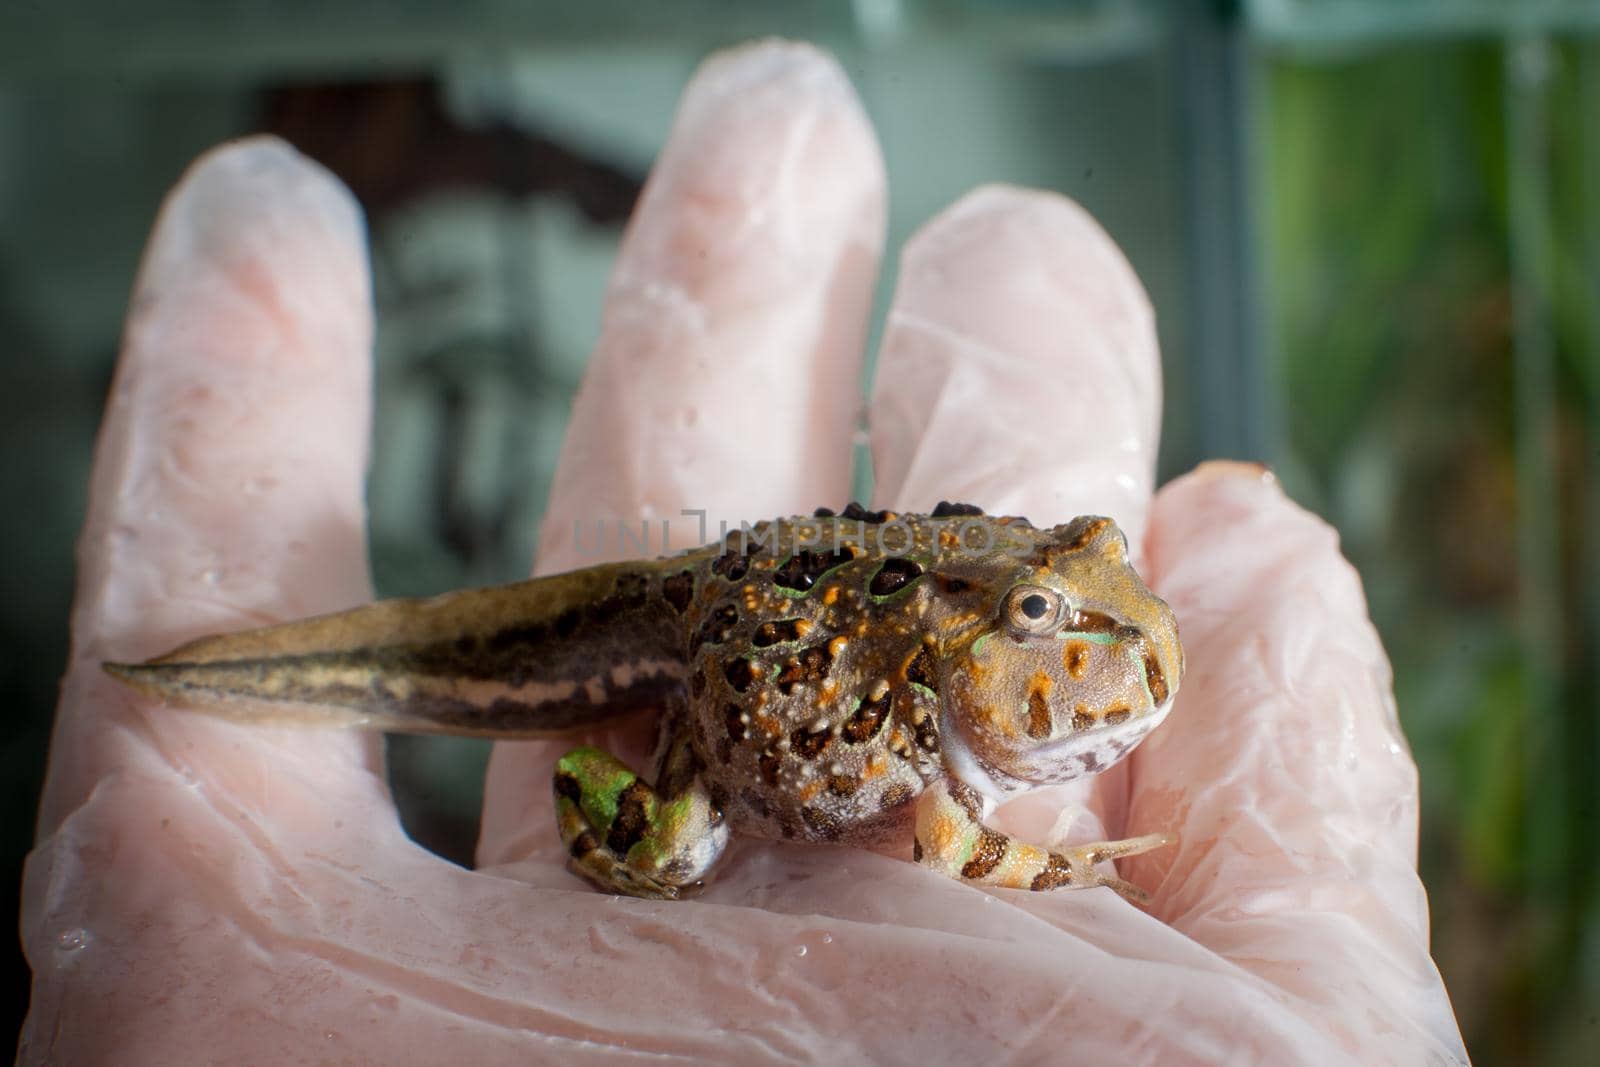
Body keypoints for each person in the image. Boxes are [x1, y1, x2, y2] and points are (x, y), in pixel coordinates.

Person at [20, 40, 1467, 1064]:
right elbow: (960, 847)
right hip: (720, 706)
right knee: (665, 860)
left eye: (1076, 595)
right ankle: (580, 769)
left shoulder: (984, 669)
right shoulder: (956, 729)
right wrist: (1071, 875)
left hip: (758, 591)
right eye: (1045, 609)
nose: (1104, 633)